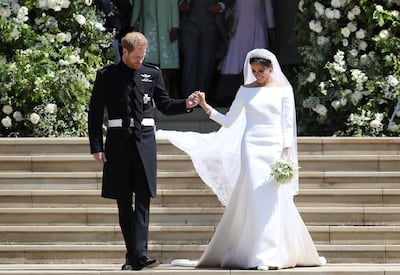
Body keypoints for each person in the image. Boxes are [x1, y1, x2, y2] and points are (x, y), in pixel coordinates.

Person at [157, 48, 326, 270]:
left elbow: (287, 123)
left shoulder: (284, 89)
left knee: (274, 197)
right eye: (254, 71)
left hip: (274, 146)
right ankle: (259, 255)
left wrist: (286, 153)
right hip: (251, 146)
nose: (257, 75)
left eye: (261, 71)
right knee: (255, 195)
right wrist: (205, 106)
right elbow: (228, 120)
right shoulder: (245, 91)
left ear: (270, 68)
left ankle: (276, 251)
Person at [88, 31, 200, 271]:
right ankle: (133, 254)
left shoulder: (152, 73)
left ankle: (140, 254)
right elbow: (95, 113)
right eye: (136, 57)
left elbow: (165, 105)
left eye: (142, 56)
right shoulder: (107, 75)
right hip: (118, 142)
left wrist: (186, 105)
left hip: (145, 142)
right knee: (123, 200)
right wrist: (96, 146)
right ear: (124, 52)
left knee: (143, 199)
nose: (140, 60)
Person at [216, 0, 276, 106]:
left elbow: (268, 5)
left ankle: (256, 96)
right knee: (235, 61)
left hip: (257, 25)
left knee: (253, 60)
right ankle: (229, 95)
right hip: (239, 25)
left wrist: (271, 25)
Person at [178, 0, 233, 98]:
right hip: (189, 20)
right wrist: (181, 3)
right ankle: (188, 97)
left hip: (212, 20)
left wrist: (221, 5)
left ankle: (200, 97)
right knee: (190, 60)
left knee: (206, 62)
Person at [130, 0, 181, 98]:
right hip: (148, 24)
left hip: (166, 25)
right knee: (147, 62)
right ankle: (146, 96)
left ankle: (165, 96)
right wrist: (133, 23)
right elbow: (138, 3)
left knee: (166, 66)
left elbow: (174, 4)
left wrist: (175, 26)